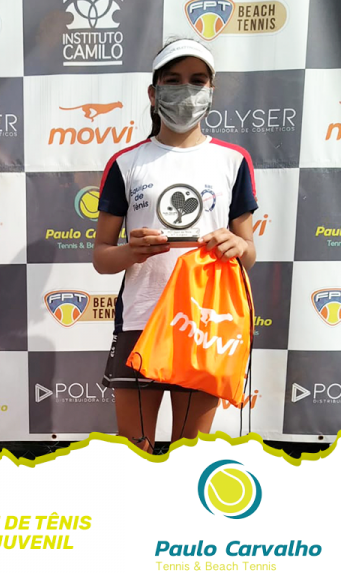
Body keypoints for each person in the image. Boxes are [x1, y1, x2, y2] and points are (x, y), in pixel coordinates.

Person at [93, 39, 258, 454]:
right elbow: (101, 258)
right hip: (141, 319)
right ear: (153, 93)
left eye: (197, 80)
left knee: (192, 455)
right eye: (173, 80)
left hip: (204, 324)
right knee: (136, 453)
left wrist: (237, 244)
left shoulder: (234, 160)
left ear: (211, 91)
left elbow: (250, 253)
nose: (186, 90)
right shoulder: (126, 162)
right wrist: (130, 252)